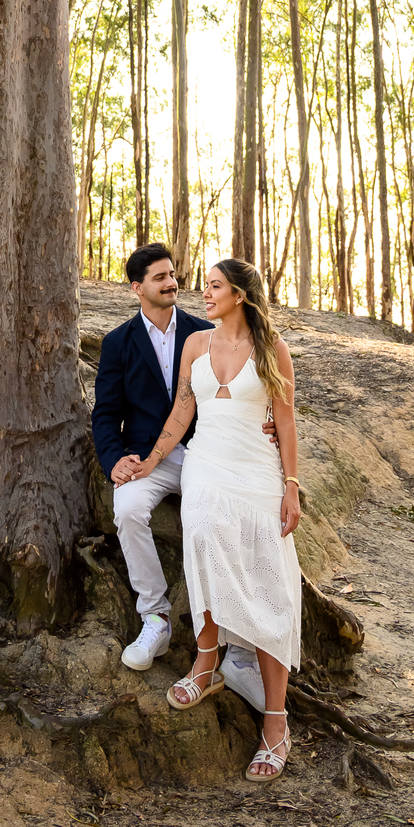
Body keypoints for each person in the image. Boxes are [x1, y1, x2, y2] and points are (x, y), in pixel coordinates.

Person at [122, 257, 301, 783]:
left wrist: (292, 487)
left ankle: (275, 722)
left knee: (267, 579)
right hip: (205, 465)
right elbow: (182, 411)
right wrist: (150, 463)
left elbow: (286, 421)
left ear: (240, 295)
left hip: (257, 474)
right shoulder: (195, 345)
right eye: (204, 287)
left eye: (214, 287)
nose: (203, 294)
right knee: (202, 546)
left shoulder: (273, 350)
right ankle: (206, 662)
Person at [91, 243, 266, 709]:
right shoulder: (117, 343)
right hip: (146, 456)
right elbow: (104, 415)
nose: (172, 283)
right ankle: (157, 619)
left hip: (205, 453)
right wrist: (114, 461)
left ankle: (237, 645)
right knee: (127, 510)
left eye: (172, 274)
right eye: (159, 277)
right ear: (137, 288)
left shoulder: (205, 331)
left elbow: (238, 391)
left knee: (219, 520)